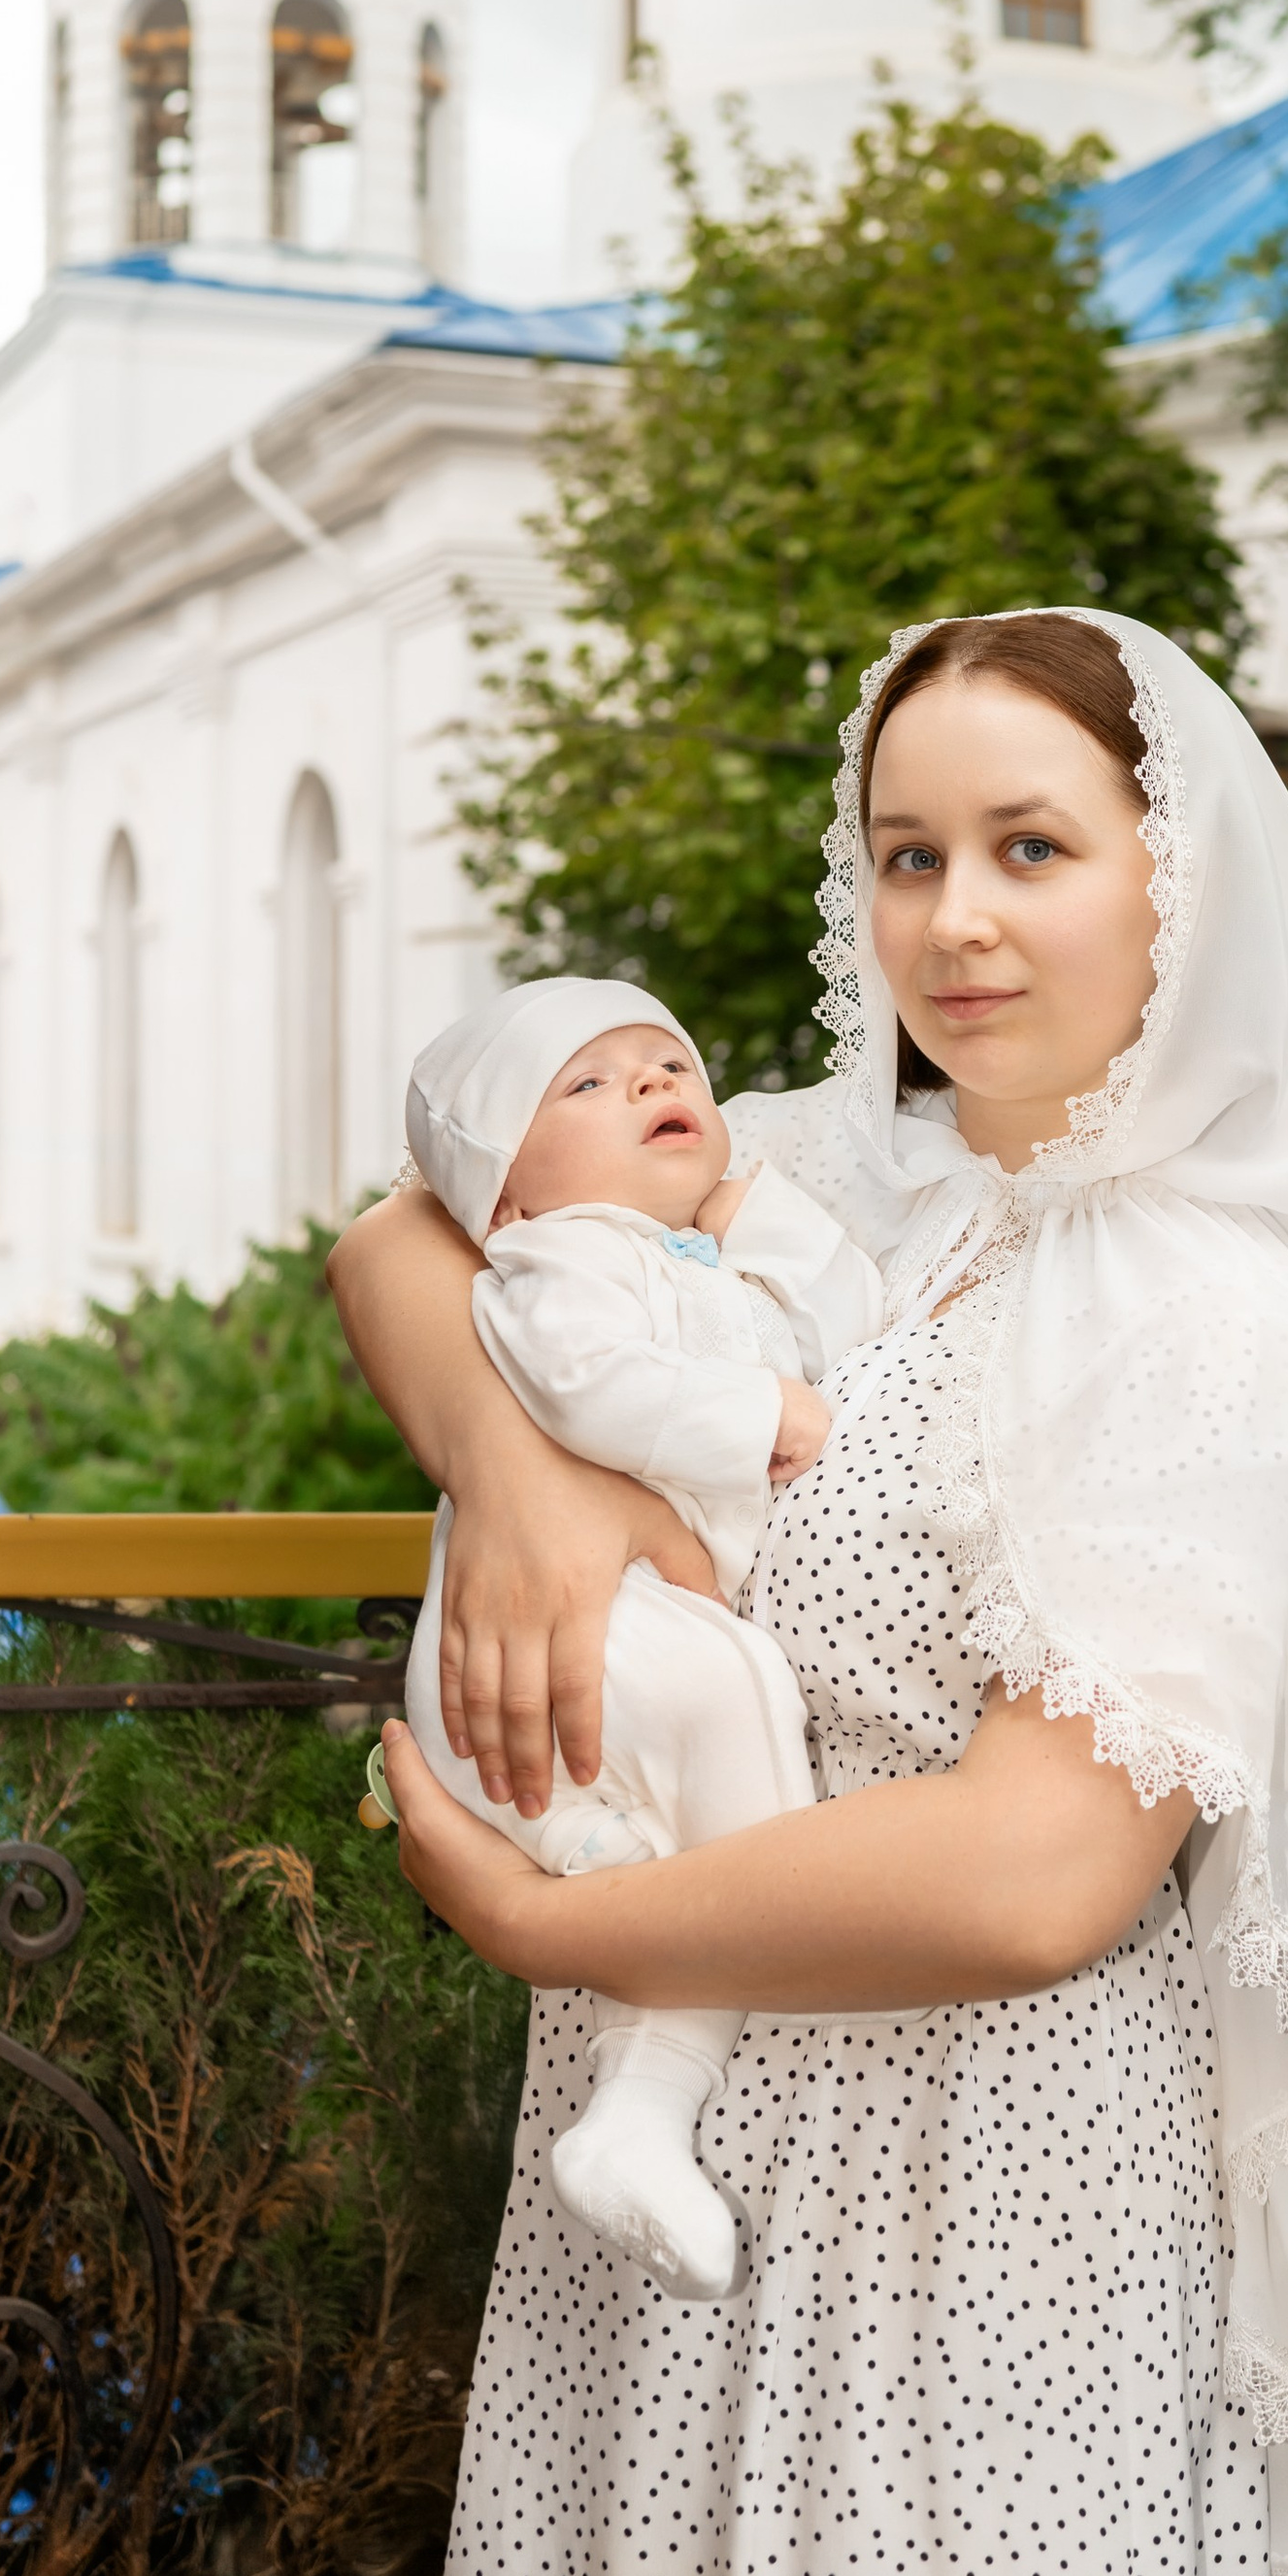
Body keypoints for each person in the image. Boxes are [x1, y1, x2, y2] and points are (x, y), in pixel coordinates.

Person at [330, 608, 1288, 2576]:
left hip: (972, 2201)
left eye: (1029, 848)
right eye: (908, 854)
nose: (954, 920)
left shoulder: (1204, 1309)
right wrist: (521, 1473)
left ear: (1173, 884)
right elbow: (403, 1230)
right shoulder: (834, 1167)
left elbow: (1037, 1873)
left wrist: (552, 1929)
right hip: (677, 2158)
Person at [384, 974, 882, 2299]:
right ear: (504, 1198)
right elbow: (588, 1386)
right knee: (738, 1719)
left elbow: (857, 1317)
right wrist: (769, 1416)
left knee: (719, 1767)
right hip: (575, 1643)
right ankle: (661, 2008)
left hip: (628, 1642)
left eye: (668, 1064)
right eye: (590, 1085)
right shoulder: (562, 1258)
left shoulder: (701, 1256)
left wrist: (750, 1210)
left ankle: (638, 2100)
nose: (652, 1085)